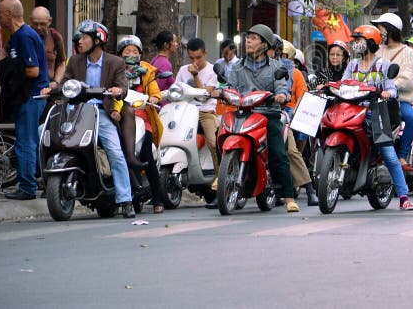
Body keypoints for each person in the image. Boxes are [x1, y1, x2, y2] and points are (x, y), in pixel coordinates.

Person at [42, 20, 135, 217]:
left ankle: (125, 199)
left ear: (98, 40)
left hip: (100, 112)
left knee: (115, 151)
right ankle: (45, 179)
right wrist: (53, 88)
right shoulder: (75, 61)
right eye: (80, 37)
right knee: (41, 132)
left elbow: (123, 88)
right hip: (75, 110)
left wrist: (118, 90)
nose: (79, 41)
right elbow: (65, 83)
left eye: (84, 37)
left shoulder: (115, 62)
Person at [221, 24, 300, 212]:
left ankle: (289, 197)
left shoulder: (277, 66)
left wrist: (282, 94)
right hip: (243, 113)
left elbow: (282, 86)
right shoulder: (237, 66)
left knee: (279, 153)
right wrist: (220, 91)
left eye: (254, 38)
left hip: (268, 114)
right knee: (220, 133)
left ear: (265, 44)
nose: (249, 40)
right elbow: (229, 85)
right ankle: (224, 179)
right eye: (248, 37)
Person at [344, 25, 413, 210]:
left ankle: (403, 196)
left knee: (389, 155)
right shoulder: (352, 65)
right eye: (355, 41)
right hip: (354, 112)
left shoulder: (383, 65)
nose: (355, 44)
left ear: (370, 43)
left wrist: (387, 93)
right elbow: (343, 84)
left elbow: (392, 88)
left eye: (358, 41)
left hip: (377, 113)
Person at [0, 0, 50, 200]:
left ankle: (27, 187)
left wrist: (8, 66)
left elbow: (33, 70)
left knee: (25, 142)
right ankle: (30, 181)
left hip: (32, 96)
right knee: (27, 141)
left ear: (9, 14)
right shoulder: (18, 36)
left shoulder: (25, 36)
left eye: (0, 12)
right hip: (27, 96)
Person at [113, 35, 166, 214]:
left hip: (143, 118)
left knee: (145, 154)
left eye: (135, 51)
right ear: (120, 54)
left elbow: (155, 92)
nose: (131, 54)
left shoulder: (147, 71)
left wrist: (154, 98)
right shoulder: (115, 70)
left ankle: (158, 197)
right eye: (127, 51)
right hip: (120, 117)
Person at [174, 37, 221, 206]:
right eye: (191, 58)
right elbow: (176, 89)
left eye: (198, 58)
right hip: (185, 111)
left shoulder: (213, 70)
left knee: (214, 143)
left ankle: (219, 181)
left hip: (204, 112)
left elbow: (204, 95)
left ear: (205, 54)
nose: (195, 61)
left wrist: (195, 76)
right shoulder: (182, 70)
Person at [371, 12, 413, 172]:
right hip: (376, 97)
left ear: (390, 30)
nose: (379, 31)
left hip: (399, 99)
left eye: (381, 27)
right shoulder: (377, 50)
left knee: (411, 117)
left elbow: (407, 79)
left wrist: (389, 88)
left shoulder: (407, 52)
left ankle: (402, 156)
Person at [281, 40, 318, 206]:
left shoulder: (295, 74)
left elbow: (302, 97)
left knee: (293, 150)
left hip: (287, 111)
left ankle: (309, 189)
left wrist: (293, 110)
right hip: (265, 110)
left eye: (283, 55)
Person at [29, 6, 66, 88]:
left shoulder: (55, 37)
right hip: (27, 87)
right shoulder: (23, 35)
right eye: (35, 24)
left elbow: (61, 63)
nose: (38, 27)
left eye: (42, 24)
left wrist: (56, 81)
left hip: (48, 87)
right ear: (30, 20)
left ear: (49, 21)